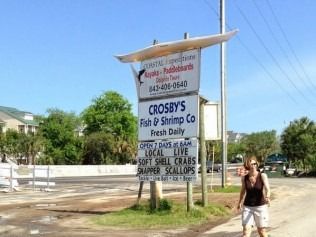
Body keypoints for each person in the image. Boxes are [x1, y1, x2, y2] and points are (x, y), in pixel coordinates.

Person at [237, 156, 271, 237]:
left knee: (261, 232)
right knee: (246, 232)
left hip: (260, 207)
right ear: (247, 165)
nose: (253, 166)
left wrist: (267, 197)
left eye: (255, 164)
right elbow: (243, 191)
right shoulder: (244, 178)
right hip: (247, 207)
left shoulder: (262, 176)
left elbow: (267, 189)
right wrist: (240, 202)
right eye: (251, 164)